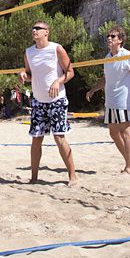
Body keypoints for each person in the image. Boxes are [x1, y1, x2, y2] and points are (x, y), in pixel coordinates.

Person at [85, 26, 130, 174]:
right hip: (111, 101)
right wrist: (93, 90)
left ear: (120, 40)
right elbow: (105, 79)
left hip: (124, 100)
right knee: (113, 133)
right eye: (108, 36)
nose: (109, 38)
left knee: (125, 132)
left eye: (113, 36)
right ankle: (129, 161)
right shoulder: (107, 58)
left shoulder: (126, 55)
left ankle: (129, 167)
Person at [19, 21, 78, 186]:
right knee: (36, 139)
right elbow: (31, 75)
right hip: (38, 101)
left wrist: (58, 81)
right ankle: (34, 178)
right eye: (33, 28)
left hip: (56, 100)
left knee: (59, 138)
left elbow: (70, 72)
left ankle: (72, 176)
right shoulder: (28, 52)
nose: (34, 30)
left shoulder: (56, 49)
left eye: (38, 28)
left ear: (47, 32)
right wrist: (24, 75)